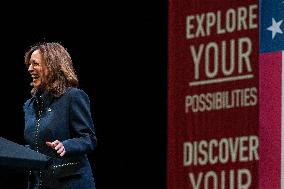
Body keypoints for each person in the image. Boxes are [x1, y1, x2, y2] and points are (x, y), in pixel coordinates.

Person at [23, 42, 97, 189]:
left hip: (70, 183)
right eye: (29, 64)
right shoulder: (29, 106)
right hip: (40, 184)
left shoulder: (73, 97)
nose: (30, 69)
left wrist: (66, 146)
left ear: (52, 66)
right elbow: (34, 146)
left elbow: (88, 138)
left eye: (35, 64)